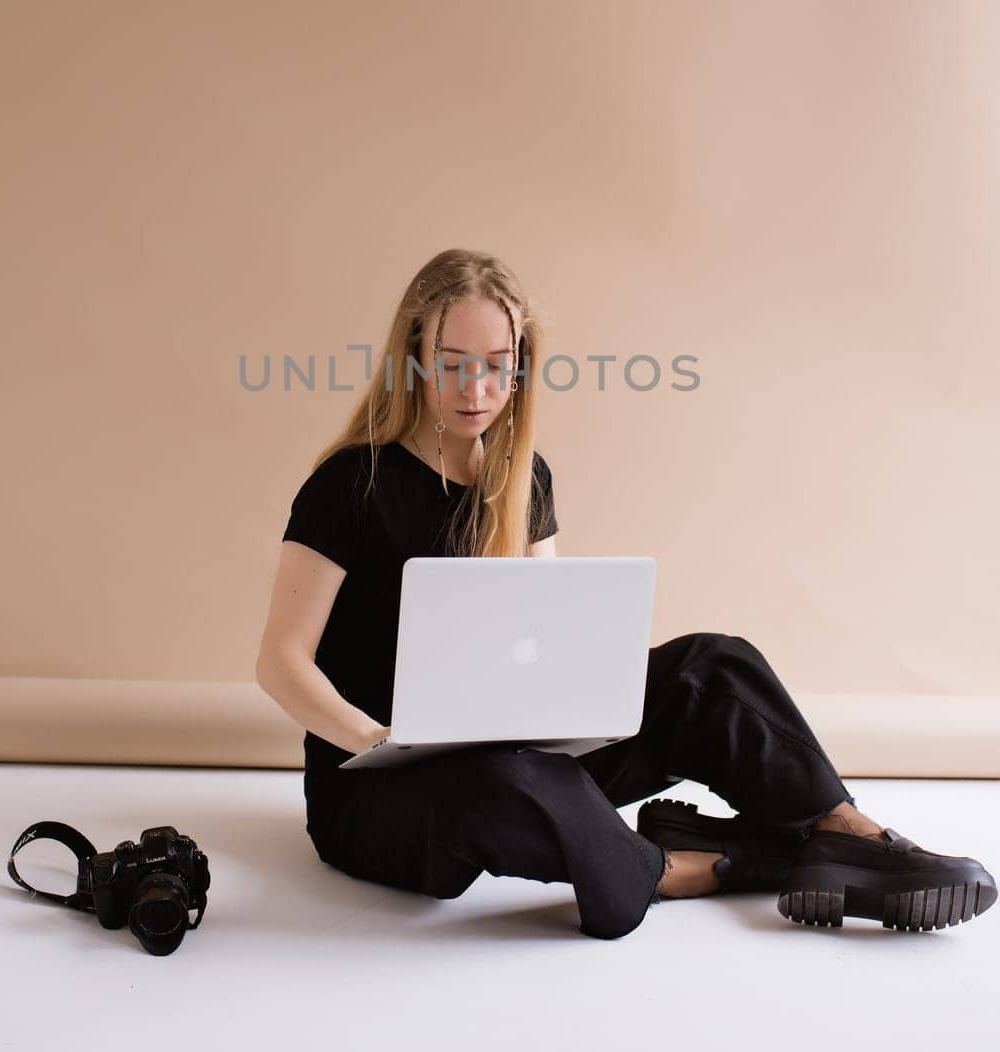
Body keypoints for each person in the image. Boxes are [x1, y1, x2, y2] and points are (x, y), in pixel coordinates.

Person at [256, 248, 996, 939]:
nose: (476, 390)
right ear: (415, 357)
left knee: (715, 667)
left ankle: (846, 836)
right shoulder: (353, 485)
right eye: (453, 365)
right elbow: (281, 662)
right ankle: (706, 865)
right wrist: (376, 742)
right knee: (502, 778)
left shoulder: (524, 477)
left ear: (520, 369)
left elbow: (536, 656)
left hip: (514, 753)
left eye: (496, 366)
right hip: (382, 793)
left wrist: (585, 706)